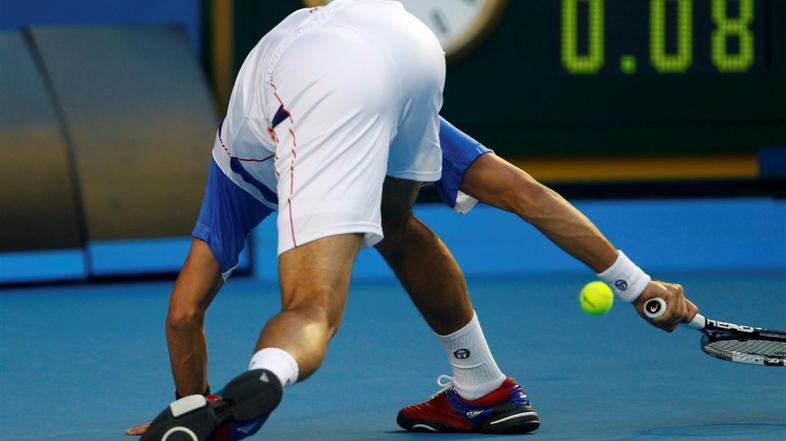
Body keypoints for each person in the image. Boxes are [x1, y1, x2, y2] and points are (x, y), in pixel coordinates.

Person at [130, 1, 698, 439]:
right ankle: (483, 389)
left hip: (315, 75)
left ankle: (260, 383)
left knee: (311, 308)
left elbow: (184, 313)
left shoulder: (235, 170)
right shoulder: (356, 69)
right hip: (411, 42)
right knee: (394, 226)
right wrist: (637, 286)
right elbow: (524, 194)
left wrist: (195, 408)